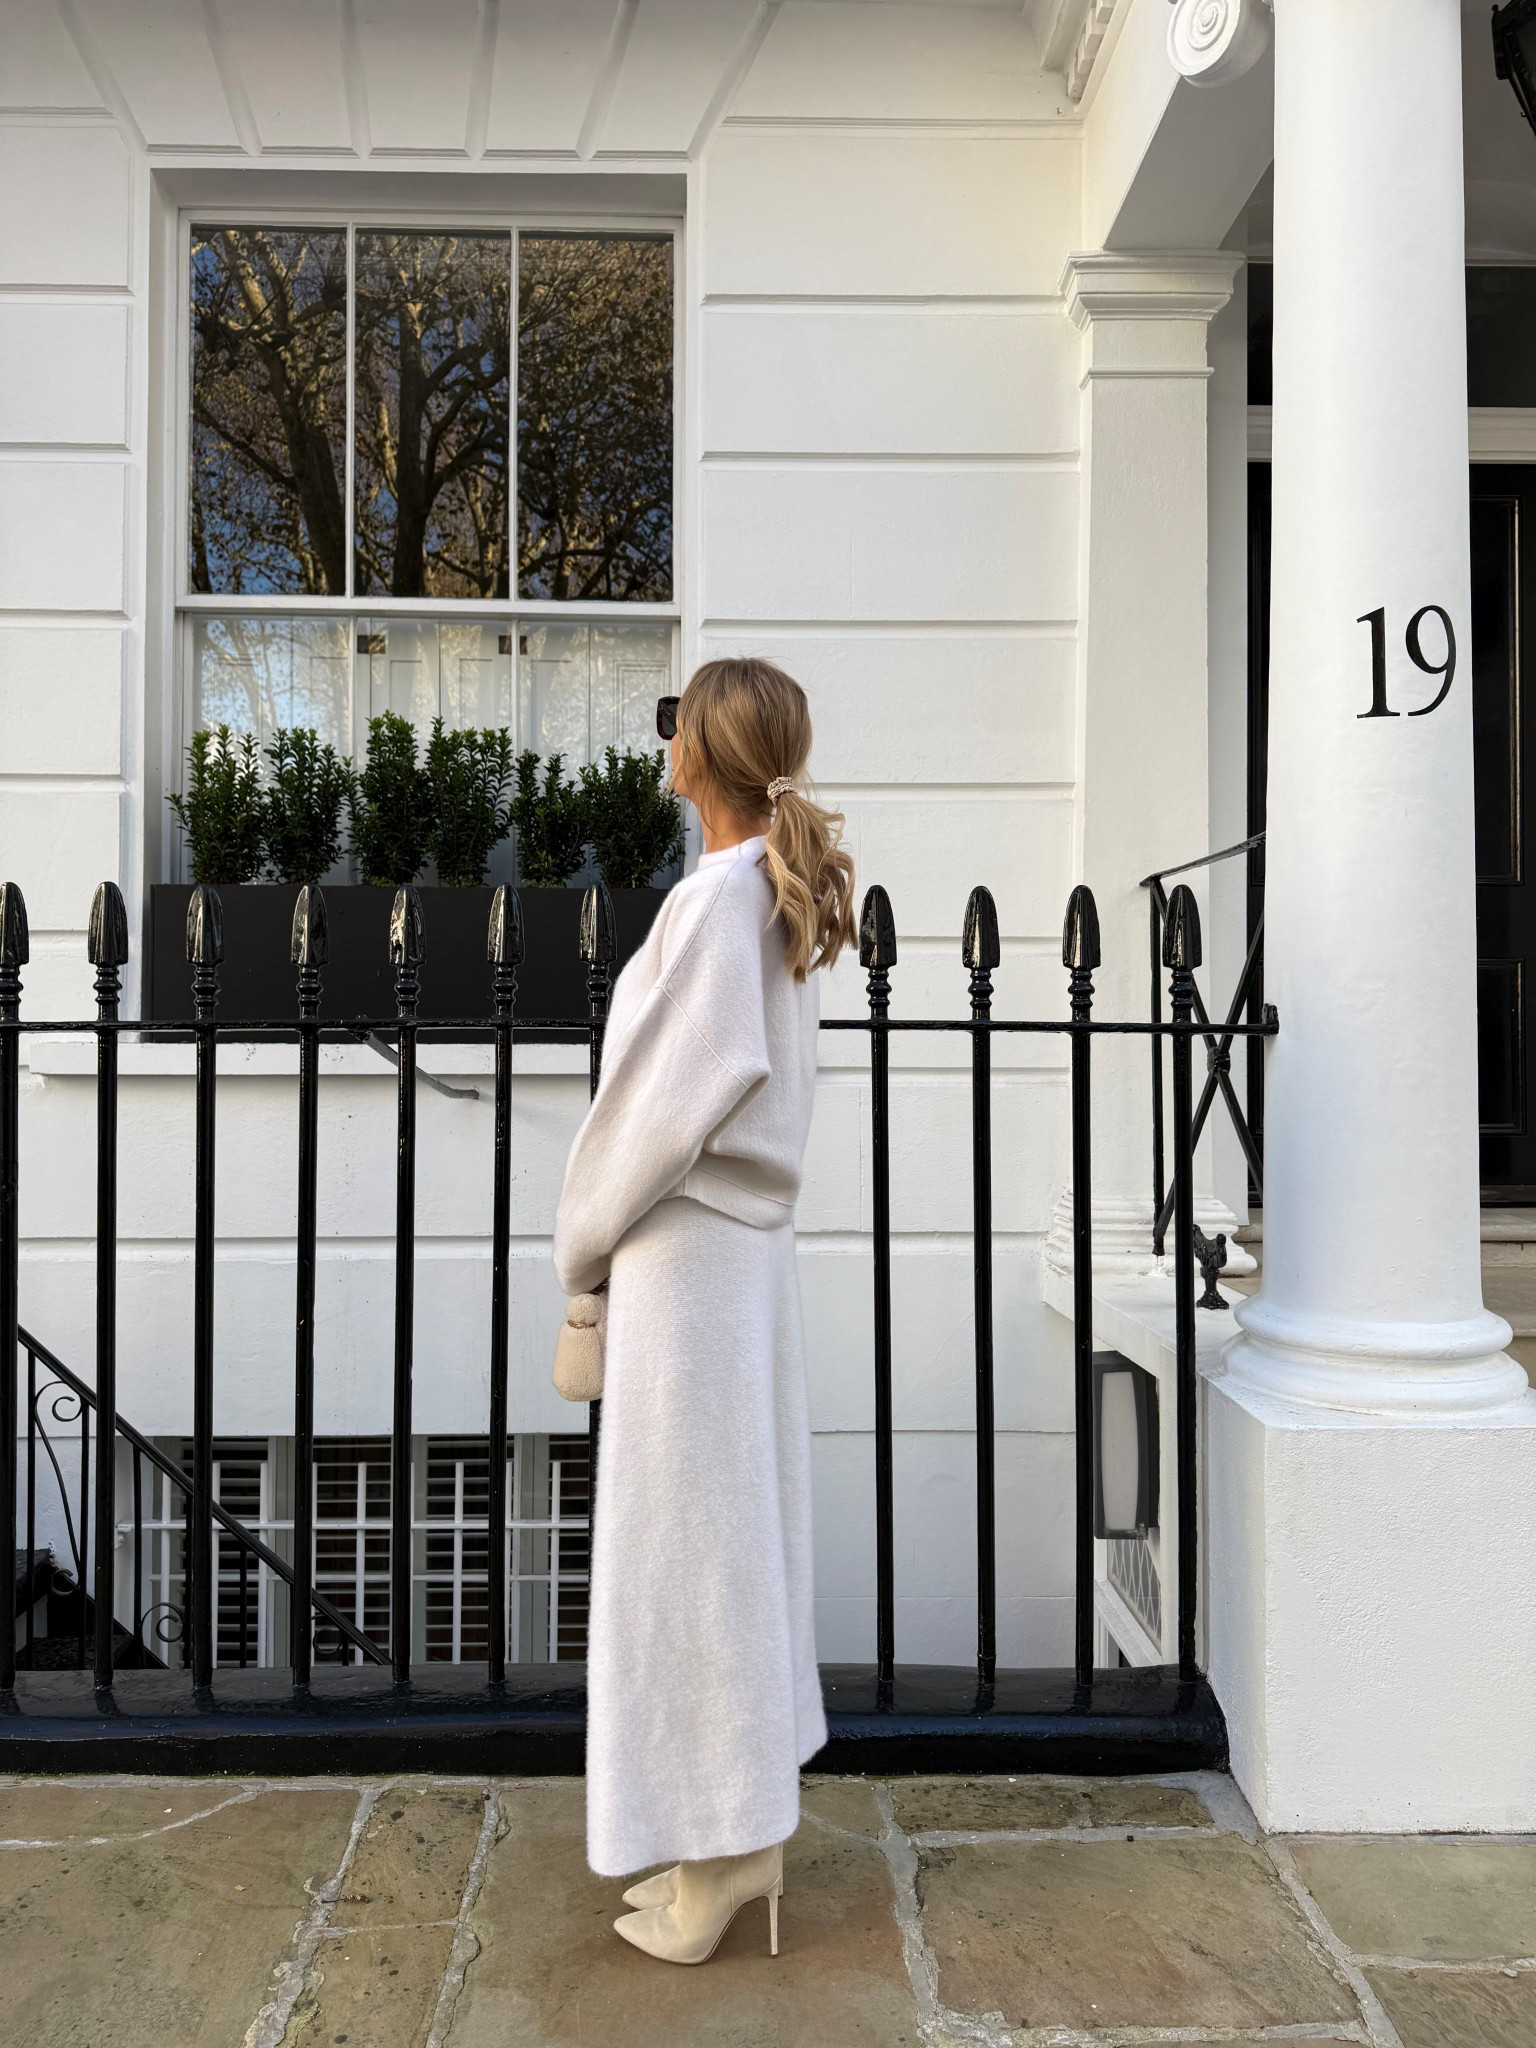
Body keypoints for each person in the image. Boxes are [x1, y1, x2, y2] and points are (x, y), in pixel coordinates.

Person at [552, 656, 856, 1965]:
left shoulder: (717, 902)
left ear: (699, 756)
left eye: (674, 722)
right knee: (723, 1546)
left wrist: (581, 1233)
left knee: (689, 1563)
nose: (663, 741)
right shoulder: (762, 899)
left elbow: (667, 1104)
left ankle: (723, 1851)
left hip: (688, 1270)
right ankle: (731, 1838)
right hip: (735, 1270)